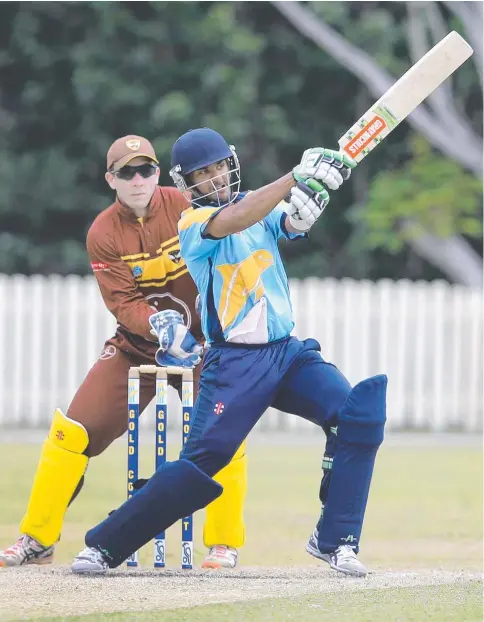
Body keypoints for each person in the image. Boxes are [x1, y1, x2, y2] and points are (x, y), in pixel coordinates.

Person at [71, 128, 387, 577]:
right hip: (234, 364)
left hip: (287, 354)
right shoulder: (192, 225)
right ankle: (104, 545)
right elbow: (235, 219)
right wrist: (296, 176)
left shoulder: (257, 206)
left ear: (231, 164)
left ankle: (335, 540)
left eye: (220, 167)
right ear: (186, 184)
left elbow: (287, 224)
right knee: (201, 464)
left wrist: (307, 206)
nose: (216, 179)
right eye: (203, 174)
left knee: (356, 415)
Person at [0, 135, 248, 571]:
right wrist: (156, 324)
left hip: (204, 347)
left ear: (158, 173)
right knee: (71, 433)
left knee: (228, 433)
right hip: (138, 347)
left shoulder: (184, 204)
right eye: (127, 172)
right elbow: (122, 300)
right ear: (111, 179)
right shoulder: (103, 233)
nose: (138, 180)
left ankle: (223, 544)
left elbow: (234, 219)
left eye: (146, 169)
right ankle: (37, 538)